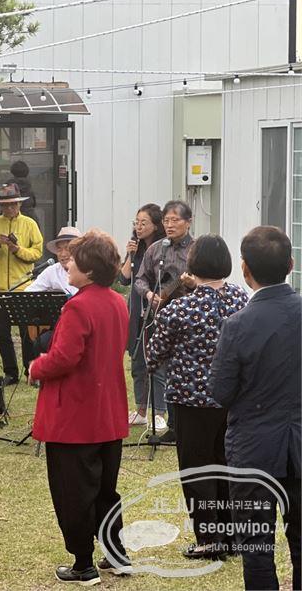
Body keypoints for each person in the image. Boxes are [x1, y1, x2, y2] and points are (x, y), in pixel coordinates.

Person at [28, 230, 132, 585]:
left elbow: (64, 358)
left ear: (88, 268)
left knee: (73, 491)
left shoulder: (78, 305)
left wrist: (36, 366)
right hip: (108, 411)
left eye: (72, 258)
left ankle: (83, 564)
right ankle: (116, 554)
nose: (66, 262)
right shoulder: (118, 301)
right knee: (105, 488)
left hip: (74, 416)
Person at [146, 234, 249, 559]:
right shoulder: (242, 300)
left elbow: (153, 355)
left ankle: (208, 538)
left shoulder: (181, 308)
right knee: (227, 465)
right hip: (233, 399)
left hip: (191, 399)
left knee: (196, 468)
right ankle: (231, 536)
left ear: (193, 265)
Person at [209, 226, 301, 590]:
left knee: (257, 545)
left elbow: (221, 391)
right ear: (291, 265)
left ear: (244, 270)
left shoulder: (238, 325)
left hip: (254, 449)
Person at [134, 199, 196, 442]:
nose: (169, 225)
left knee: (184, 368)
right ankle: (168, 422)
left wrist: (192, 284)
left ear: (188, 223)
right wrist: (149, 294)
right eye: (166, 221)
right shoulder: (156, 249)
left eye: (175, 220)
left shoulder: (198, 249)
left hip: (190, 317)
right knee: (161, 366)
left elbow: (211, 278)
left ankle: (185, 423)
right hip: (159, 316)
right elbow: (140, 279)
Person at [0, 183, 44, 385]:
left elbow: (37, 252)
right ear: (0, 206)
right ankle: (10, 373)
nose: (9, 209)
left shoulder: (30, 224)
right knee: (2, 333)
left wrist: (17, 250)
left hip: (23, 287)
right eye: (5, 206)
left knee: (27, 333)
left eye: (13, 205)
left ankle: (29, 371)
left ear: (19, 204)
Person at [118, 204, 167, 429]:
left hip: (155, 313)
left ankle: (159, 412)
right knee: (137, 361)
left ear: (156, 225)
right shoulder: (136, 250)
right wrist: (130, 254)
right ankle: (140, 410)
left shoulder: (163, 251)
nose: (138, 226)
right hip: (136, 313)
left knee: (156, 362)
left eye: (143, 222)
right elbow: (124, 279)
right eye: (136, 222)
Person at [24, 226, 80, 358]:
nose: (63, 253)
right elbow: (28, 294)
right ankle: (33, 373)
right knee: (38, 341)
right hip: (58, 326)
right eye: (59, 249)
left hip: (82, 327)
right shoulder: (52, 271)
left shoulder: (89, 270)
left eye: (67, 248)